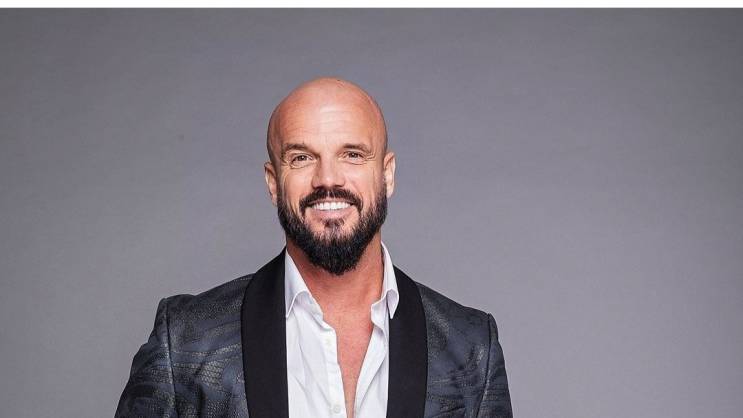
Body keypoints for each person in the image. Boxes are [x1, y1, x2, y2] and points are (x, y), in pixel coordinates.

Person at [115, 77, 512, 418]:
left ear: (387, 174)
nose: (328, 179)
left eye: (352, 155)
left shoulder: (471, 348)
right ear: (273, 183)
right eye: (302, 158)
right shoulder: (185, 341)